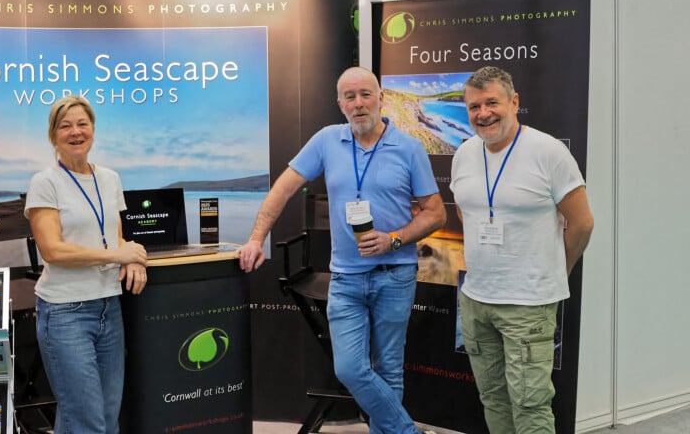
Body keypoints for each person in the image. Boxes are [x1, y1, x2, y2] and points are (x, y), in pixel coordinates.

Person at [237, 66, 446, 434]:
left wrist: (393, 238)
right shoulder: (326, 141)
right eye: (350, 97)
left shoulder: (409, 148)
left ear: (381, 98)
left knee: (389, 369)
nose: (359, 103)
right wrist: (256, 238)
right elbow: (281, 190)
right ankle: (407, 432)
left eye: (366, 94)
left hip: (395, 275)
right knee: (349, 368)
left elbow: (436, 213)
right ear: (340, 104)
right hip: (346, 279)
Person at [450, 66, 594, 434]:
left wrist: (558, 272)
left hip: (528, 304)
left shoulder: (548, 152)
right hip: (476, 298)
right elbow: (469, 214)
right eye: (473, 106)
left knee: (530, 406)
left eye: (492, 102)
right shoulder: (464, 154)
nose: (483, 113)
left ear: (514, 102)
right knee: (493, 398)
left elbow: (581, 223)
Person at [25, 95, 148, 434]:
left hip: (109, 306)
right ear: (54, 136)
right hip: (66, 313)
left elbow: (116, 237)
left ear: (93, 129)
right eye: (65, 126)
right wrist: (117, 256)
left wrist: (134, 260)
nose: (75, 132)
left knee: (105, 417)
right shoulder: (44, 183)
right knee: (88, 422)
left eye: (82, 124)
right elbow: (53, 251)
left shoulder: (109, 178)